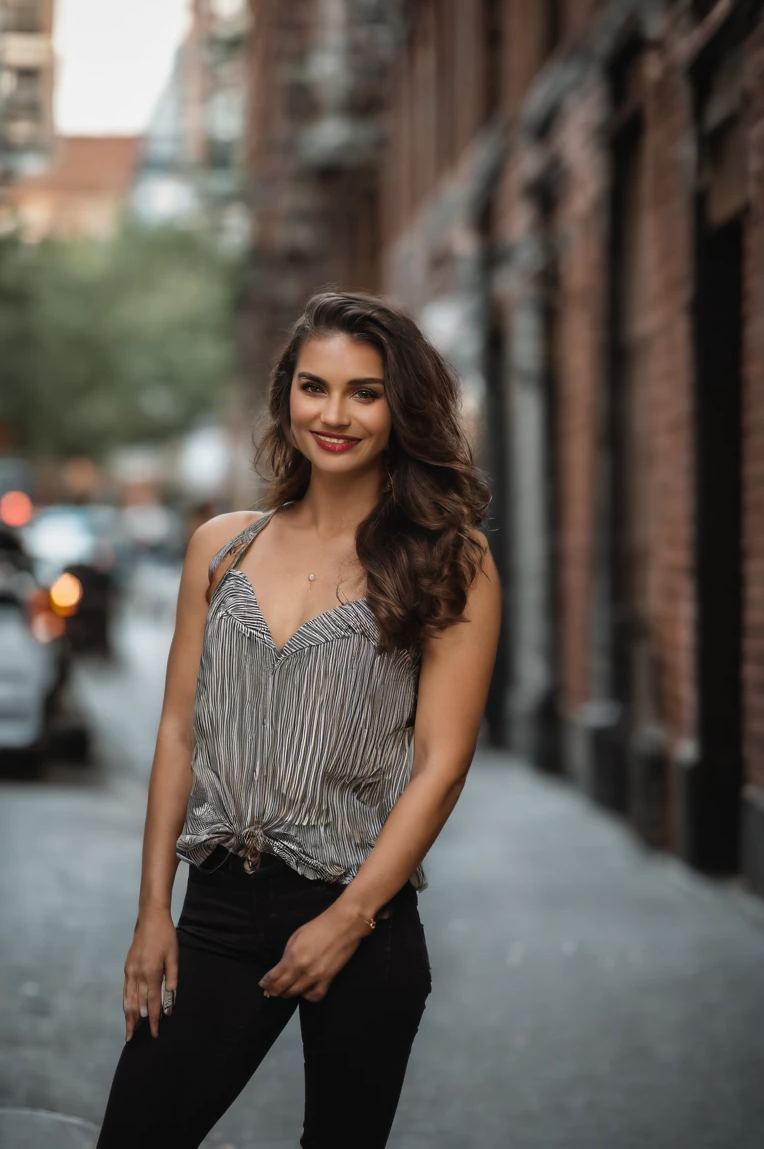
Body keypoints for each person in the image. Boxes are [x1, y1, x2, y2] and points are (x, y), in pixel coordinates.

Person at [96, 291, 501, 1148]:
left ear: (401, 408)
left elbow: (442, 764)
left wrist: (347, 920)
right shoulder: (222, 547)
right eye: (315, 387)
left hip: (365, 920)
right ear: (288, 395)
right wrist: (151, 913)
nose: (336, 414)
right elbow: (177, 732)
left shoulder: (448, 557)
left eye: (366, 392)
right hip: (214, 912)